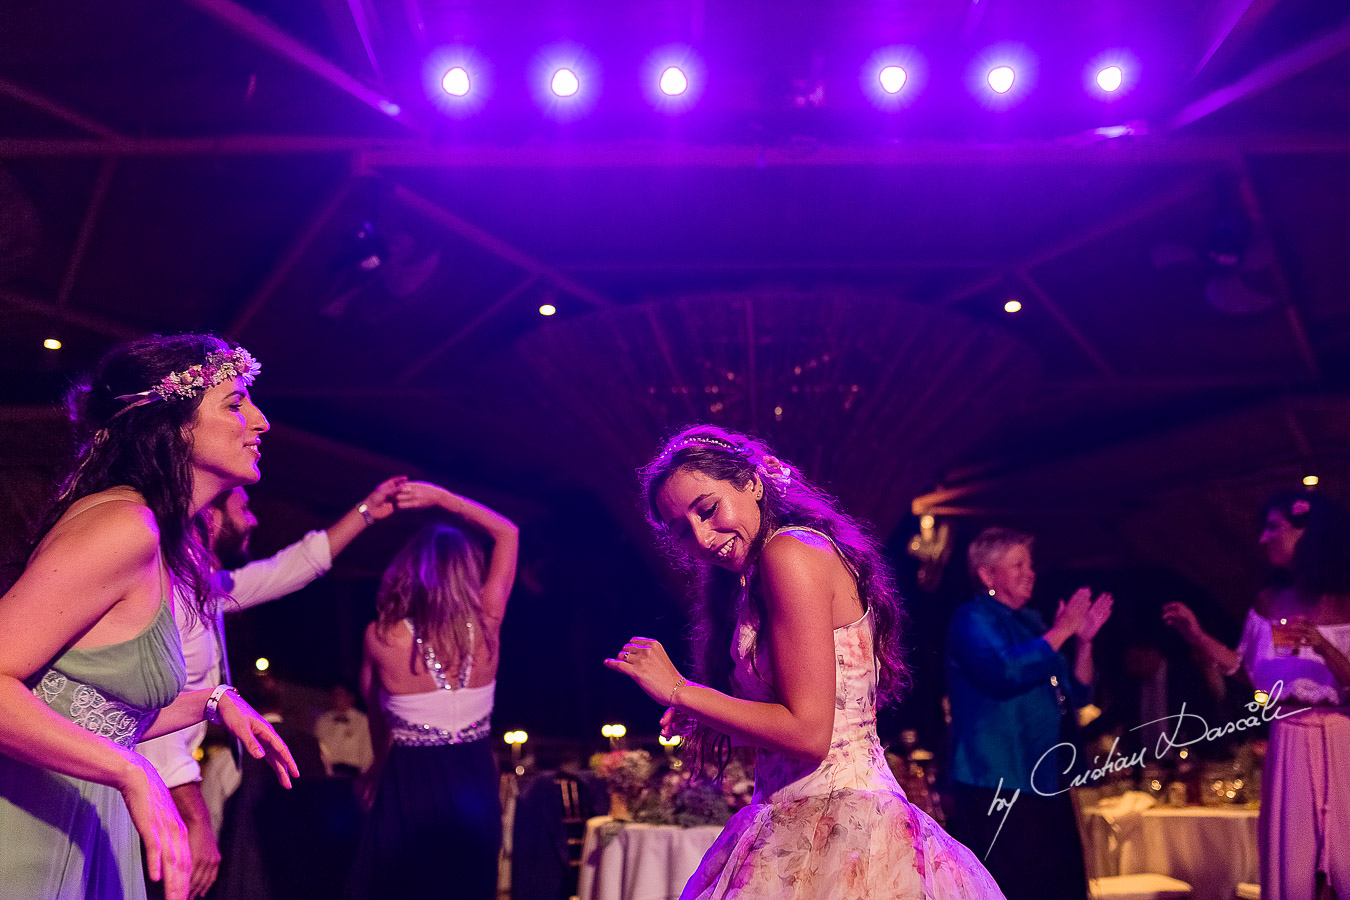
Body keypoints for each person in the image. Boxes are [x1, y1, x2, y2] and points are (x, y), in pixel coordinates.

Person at [608, 425, 1005, 900]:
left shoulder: (789, 552)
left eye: (708, 509)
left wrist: (679, 690)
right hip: (797, 818)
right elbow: (791, 722)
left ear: (753, 483)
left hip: (841, 824)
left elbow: (809, 733)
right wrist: (705, 714)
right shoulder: (757, 577)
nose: (701, 536)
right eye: (682, 529)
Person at [0, 334, 299, 900]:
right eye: (235, 403)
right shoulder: (123, 527)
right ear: (174, 425)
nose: (260, 422)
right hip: (27, 828)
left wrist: (212, 701)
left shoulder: (161, 542)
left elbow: (94, 714)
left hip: (82, 817)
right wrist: (131, 772)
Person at [136, 476, 405, 898]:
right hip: (157, 793)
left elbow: (291, 568)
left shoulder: (207, 591)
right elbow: (155, 719)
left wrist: (367, 511)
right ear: (210, 517)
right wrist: (197, 821)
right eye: (243, 509)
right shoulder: (176, 594)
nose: (253, 519)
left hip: (166, 793)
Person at [1164, 491, 1350, 900]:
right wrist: (1197, 636)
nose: (1264, 539)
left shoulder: (1346, 600)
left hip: (1342, 737)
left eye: (1274, 528)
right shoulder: (1268, 602)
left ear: (1308, 533)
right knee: (1293, 860)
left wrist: (1324, 646)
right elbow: (1245, 670)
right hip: (1288, 736)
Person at [345, 481, 519, 900]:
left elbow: (377, 716)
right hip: (473, 777)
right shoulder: (489, 625)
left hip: (409, 779)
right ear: (469, 570)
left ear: (410, 570)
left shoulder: (382, 636)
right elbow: (507, 533)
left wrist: (375, 768)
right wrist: (445, 499)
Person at [943, 527, 1112, 900]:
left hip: (1046, 776)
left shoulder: (1033, 623)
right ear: (987, 575)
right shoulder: (971, 618)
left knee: (1061, 885)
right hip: (995, 777)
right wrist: (1063, 630)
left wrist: (1083, 642)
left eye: (1030, 565)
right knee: (1013, 885)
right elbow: (1005, 672)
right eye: (1018, 565)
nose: (1029, 573)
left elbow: (1079, 692)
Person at [315, 684, 374, 776]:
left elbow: (367, 752)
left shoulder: (362, 721)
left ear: (350, 697)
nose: (336, 698)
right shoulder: (323, 721)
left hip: (353, 774)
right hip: (327, 774)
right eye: (334, 695)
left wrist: (364, 776)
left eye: (340, 694)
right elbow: (319, 748)